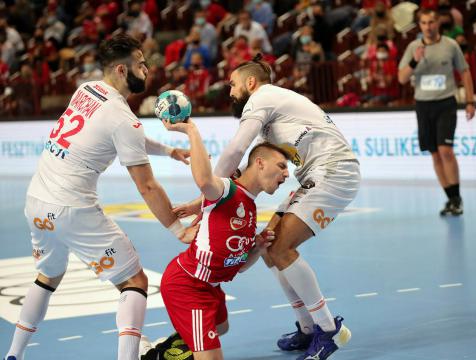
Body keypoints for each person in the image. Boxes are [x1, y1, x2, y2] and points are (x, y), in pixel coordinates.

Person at [3, 34, 194, 360]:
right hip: (72, 209)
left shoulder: (86, 89)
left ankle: (13, 355)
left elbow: (123, 134)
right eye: (140, 64)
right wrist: (179, 229)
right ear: (122, 69)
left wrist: (168, 150)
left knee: (48, 276)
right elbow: (147, 186)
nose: (147, 70)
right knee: (135, 280)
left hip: (36, 202)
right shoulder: (123, 118)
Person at [174, 54, 360, 360]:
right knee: (269, 245)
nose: (230, 92)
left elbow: (235, 149)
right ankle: (307, 327)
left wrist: (210, 196)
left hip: (334, 171)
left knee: (282, 247)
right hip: (317, 175)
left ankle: (329, 329)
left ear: (250, 83)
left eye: (233, 84)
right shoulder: (271, 119)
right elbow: (245, 172)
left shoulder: (262, 97)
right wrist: (202, 201)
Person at [144, 120, 289, 360]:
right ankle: (152, 354)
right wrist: (191, 130)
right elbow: (204, 180)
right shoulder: (227, 189)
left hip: (212, 286)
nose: (286, 173)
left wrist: (258, 248)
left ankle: (163, 352)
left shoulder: (250, 209)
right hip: (188, 285)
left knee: (221, 327)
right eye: (282, 165)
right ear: (260, 163)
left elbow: (239, 267)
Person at [398, 9, 476, 216]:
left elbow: (465, 71)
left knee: (445, 151)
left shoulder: (450, 46)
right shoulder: (413, 47)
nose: (428, 26)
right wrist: (415, 61)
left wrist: (470, 100)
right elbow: (402, 78)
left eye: (431, 22)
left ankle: (457, 198)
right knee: (435, 154)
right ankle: (450, 198)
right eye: (423, 23)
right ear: (420, 25)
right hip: (423, 106)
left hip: (446, 103)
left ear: (438, 23)